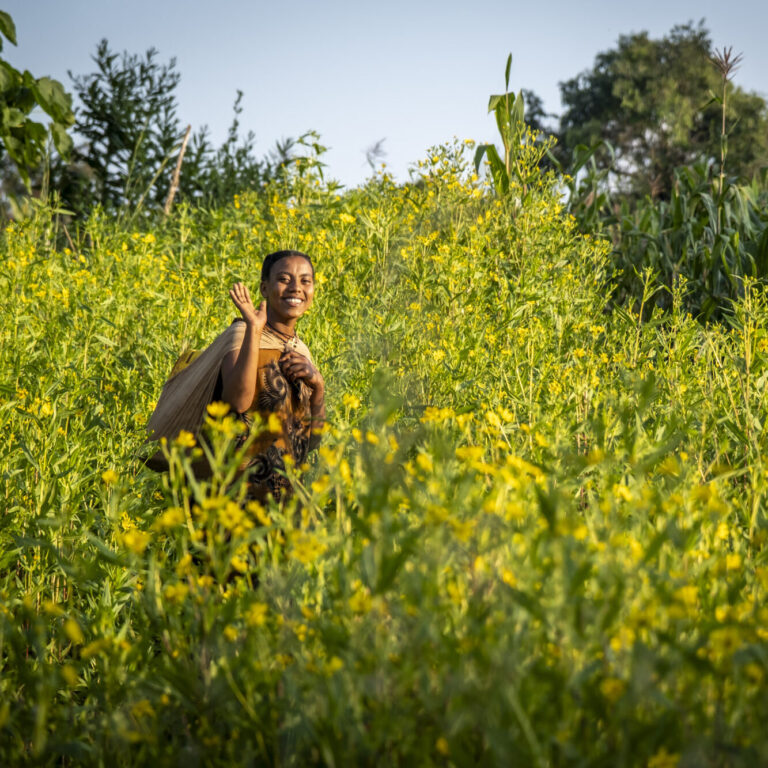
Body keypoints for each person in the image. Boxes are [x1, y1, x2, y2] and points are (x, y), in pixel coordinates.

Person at [220, 250, 325, 501]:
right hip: (237, 497)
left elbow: (311, 442)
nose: (296, 288)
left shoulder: (300, 350)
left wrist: (318, 388)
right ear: (264, 289)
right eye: (284, 279)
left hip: (286, 500)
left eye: (305, 281)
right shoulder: (241, 335)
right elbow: (237, 402)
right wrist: (254, 329)